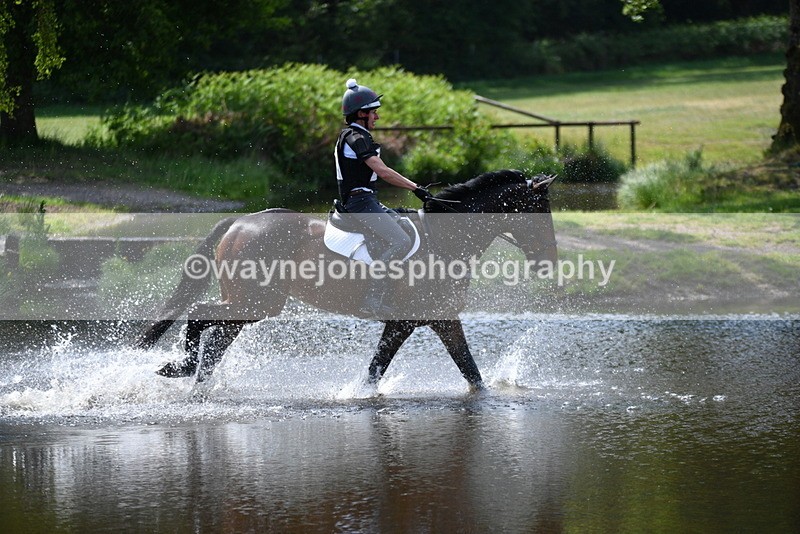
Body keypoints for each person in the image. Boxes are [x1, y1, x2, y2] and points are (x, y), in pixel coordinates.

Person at [335, 78, 432, 317]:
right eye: (373, 113)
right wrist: (416, 188)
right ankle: (372, 299)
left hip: (367, 200)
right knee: (400, 242)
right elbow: (383, 171)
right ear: (361, 114)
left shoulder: (354, 136)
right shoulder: (356, 138)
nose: (377, 117)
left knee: (407, 228)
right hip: (360, 202)